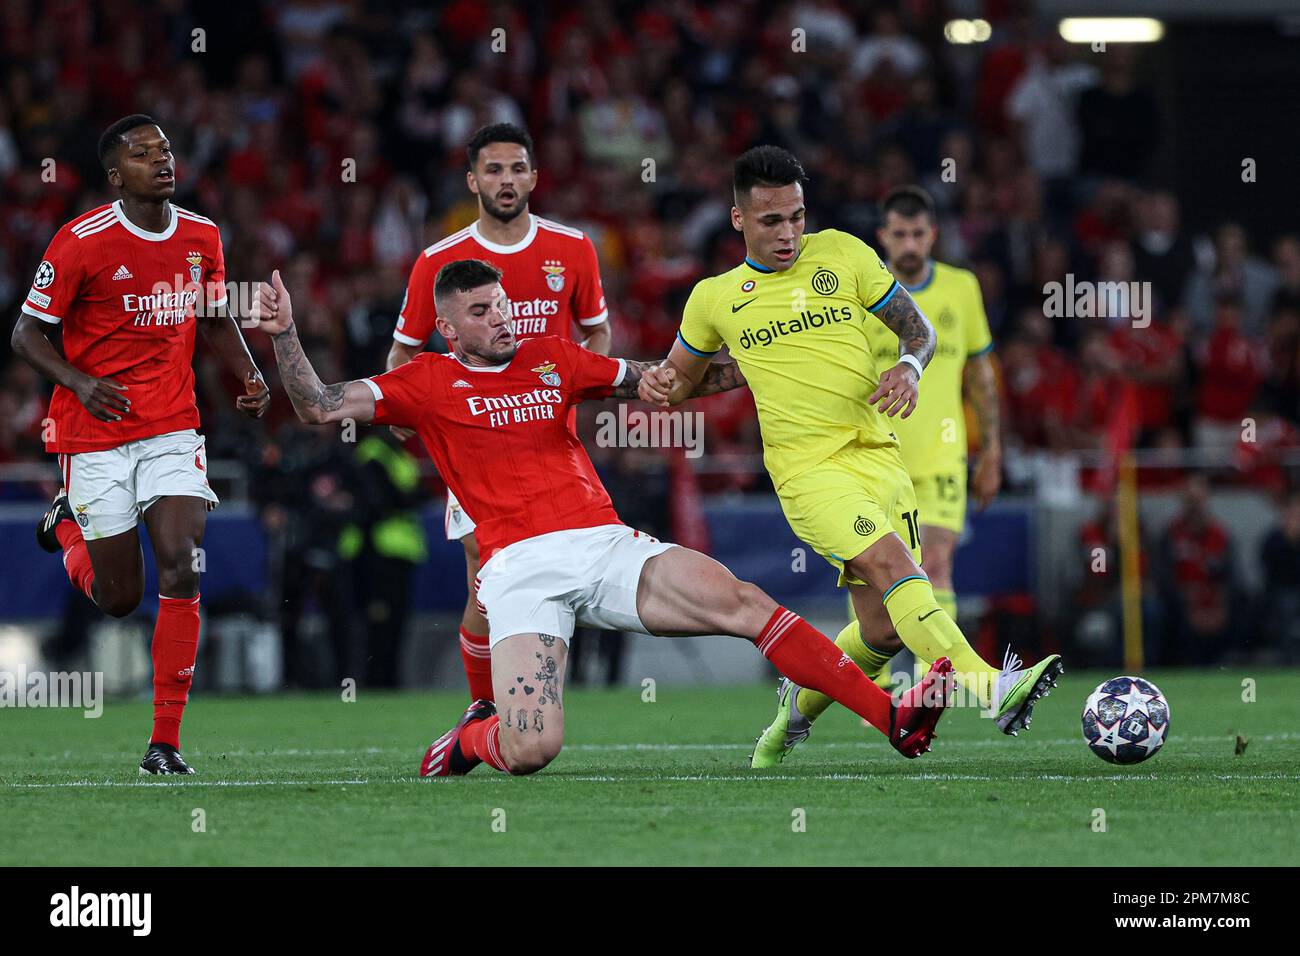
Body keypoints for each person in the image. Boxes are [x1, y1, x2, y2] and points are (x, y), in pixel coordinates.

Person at [251, 259, 955, 775]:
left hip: (605, 545)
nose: (500, 319)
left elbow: (658, 381)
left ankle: (890, 718)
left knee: (747, 603)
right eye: (481, 312)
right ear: (446, 328)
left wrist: (750, 365)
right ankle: (467, 741)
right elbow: (317, 404)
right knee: (532, 750)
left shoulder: (553, 358)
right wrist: (284, 335)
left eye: (502, 306)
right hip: (519, 570)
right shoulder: (424, 382)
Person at [639, 146, 1060, 767]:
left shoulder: (845, 253)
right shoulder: (715, 298)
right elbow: (683, 380)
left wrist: (911, 369)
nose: (788, 234)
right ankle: (990, 686)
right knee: (896, 570)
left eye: (796, 217)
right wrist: (643, 383)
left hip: (880, 456)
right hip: (809, 473)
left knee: (883, 630)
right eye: (770, 222)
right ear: (737, 219)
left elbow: (919, 330)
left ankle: (794, 710)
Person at [11, 115, 270, 774]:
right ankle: (70, 530)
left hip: (171, 426)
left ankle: (165, 742)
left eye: (166, 150)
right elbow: (26, 335)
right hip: (93, 432)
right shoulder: (80, 241)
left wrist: (248, 373)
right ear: (114, 173)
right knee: (118, 598)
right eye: (142, 152)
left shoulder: (201, 235)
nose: (161, 160)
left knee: (182, 562)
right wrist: (80, 381)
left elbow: (214, 315)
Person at [750, 184, 1004, 760]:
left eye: (920, 233)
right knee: (879, 588)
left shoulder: (961, 289)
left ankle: (934, 683)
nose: (910, 243)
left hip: (942, 454)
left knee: (929, 564)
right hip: (866, 453)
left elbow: (982, 374)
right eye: (899, 233)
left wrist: (992, 450)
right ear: (884, 236)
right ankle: (893, 688)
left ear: (932, 236)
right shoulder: (855, 287)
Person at [387, 122, 612, 705]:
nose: (506, 180)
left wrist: (576, 389)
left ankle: (533, 698)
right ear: (472, 180)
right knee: (484, 574)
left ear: (534, 176)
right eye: (493, 169)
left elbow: (598, 330)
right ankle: (485, 707)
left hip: (551, 441)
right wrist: (425, 419)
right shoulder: (441, 258)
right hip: (478, 443)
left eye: (517, 168)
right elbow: (403, 353)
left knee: (566, 566)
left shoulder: (573, 247)